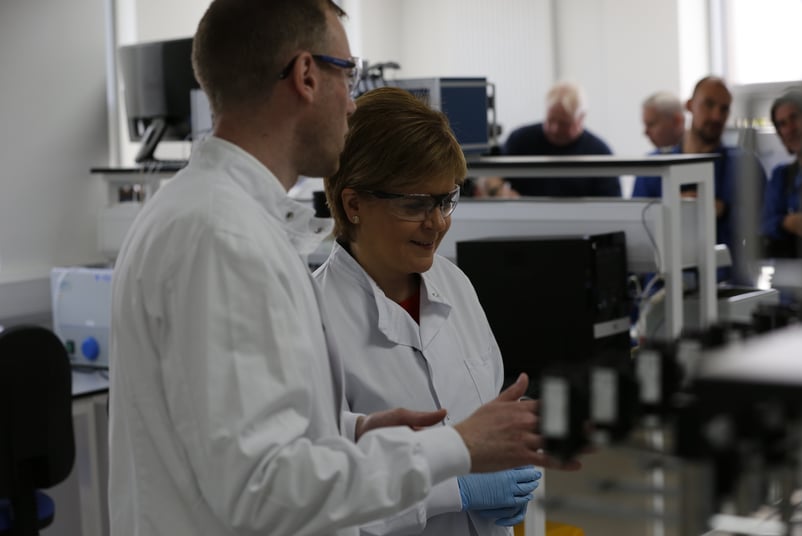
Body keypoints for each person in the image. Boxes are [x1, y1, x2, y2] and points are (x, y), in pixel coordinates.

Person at [108, 2, 558, 535]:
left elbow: (230, 435)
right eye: (348, 74)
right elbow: (263, 489)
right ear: (305, 76)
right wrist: (455, 451)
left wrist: (353, 430)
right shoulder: (223, 237)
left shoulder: (217, 216)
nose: (351, 103)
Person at [314, 87, 579, 535]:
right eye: (415, 204)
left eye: (445, 200)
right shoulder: (314, 318)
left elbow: (484, 407)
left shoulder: (454, 285)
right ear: (353, 203)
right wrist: (455, 491)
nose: (436, 222)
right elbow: (321, 495)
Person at [632, 76, 766, 283]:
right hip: (664, 290)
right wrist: (673, 209)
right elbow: (637, 234)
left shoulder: (745, 167)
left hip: (731, 288)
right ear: (689, 106)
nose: (716, 116)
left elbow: (764, 230)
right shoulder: (654, 169)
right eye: (709, 104)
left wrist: (724, 210)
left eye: (724, 109)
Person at [481, 81, 621, 198]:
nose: (554, 128)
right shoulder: (521, 139)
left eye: (563, 123)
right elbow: (491, 173)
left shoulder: (600, 152)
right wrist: (499, 191)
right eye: (550, 120)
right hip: (525, 224)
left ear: (581, 118)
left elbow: (611, 206)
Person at [761, 89, 802, 258]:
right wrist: (787, 222)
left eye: (794, 118)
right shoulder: (782, 176)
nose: (790, 129)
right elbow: (764, 224)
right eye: (782, 124)